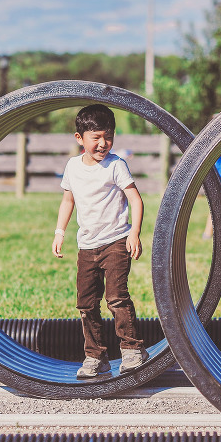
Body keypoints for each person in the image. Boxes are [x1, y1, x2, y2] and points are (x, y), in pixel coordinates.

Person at [52, 104, 149, 381]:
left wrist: (134, 232)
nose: (103, 143)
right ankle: (95, 356)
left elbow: (135, 199)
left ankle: (132, 350)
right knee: (86, 303)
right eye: (96, 137)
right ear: (79, 138)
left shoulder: (116, 165)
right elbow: (68, 200)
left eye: (108, 136)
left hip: (116, 241)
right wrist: (60, 232)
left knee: (117, 297)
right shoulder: (72, 166)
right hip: (87, 245)